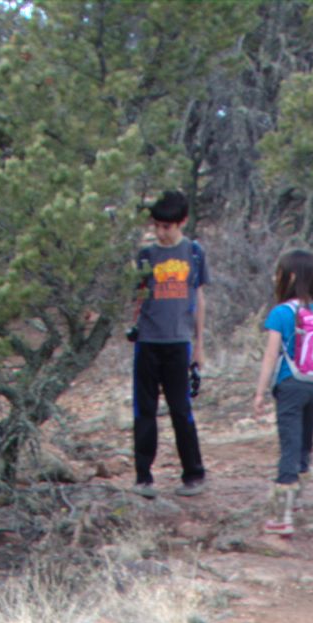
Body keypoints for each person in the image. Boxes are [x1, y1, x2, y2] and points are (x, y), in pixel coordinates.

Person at [129, 190, 209, 499]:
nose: (161, 233)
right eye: (157, 226)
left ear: (182, 222)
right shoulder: (146, 255)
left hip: (179, 342)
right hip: (148, 342)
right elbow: (138, 295)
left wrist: (199, 345)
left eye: (167, 227)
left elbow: (199, 298)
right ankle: (143, 476)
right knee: (144, 410)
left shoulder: (194, 253)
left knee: (181, 409)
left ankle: (194, 473)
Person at [252, 247, 313, 536]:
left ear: (287, 277)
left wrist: (260, 393)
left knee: (288, 443)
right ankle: (297, 500)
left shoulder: (281, 313)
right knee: (304, 441)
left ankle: (281, 516)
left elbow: (270, 356)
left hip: (291, 385)